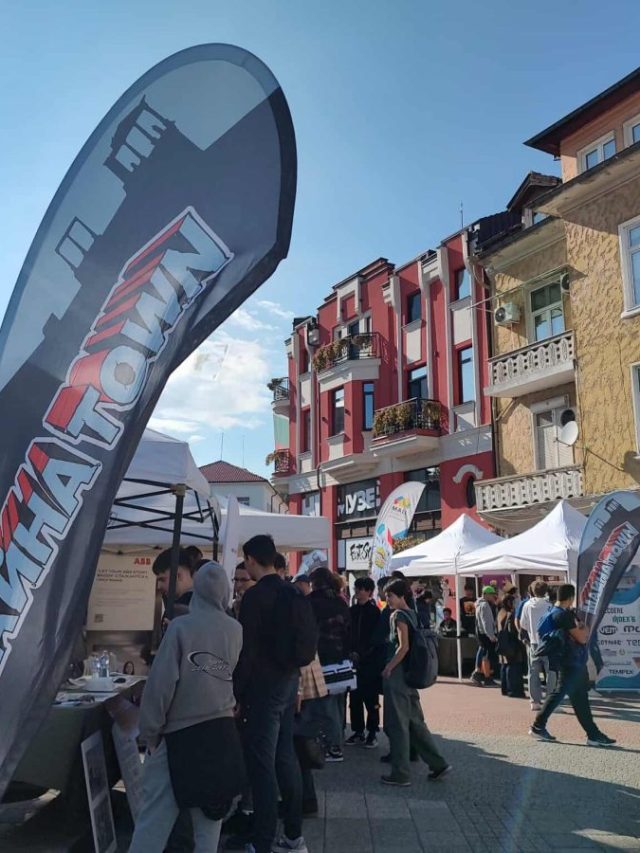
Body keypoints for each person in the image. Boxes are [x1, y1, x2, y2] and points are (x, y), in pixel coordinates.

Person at [129, 564, 243, 853]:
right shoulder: (235, 629)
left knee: (153, 823)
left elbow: (160, 686)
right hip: (221, 733)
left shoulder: (181, 628)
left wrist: (150, 732)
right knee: (209, 824)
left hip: (179, 736)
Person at [234, 535, 308, 853]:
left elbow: (247, 651)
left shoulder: (255, 597)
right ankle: (293, 834)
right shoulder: (292, 591)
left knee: (262, 765)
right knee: (285, 758)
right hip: (288, 681)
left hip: (263, 688)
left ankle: (262, 840)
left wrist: (237, 693)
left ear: (251, 559)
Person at [381, 579, 451, 787]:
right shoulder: (413, 614)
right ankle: (438, 763)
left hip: (398, 674)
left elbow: (403, 647)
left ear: (401, 596)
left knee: (397, 723)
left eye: (390, 596)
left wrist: (389, 667)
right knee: (416, 722)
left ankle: (400, 773)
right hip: (412, 674)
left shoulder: (398, 616)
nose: (387, 600)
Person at [530, 584, 616, 747]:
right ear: (570, 598)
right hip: (571, 661)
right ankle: (538, 726)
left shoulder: (552, 612)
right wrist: (583, 627)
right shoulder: (564, 615)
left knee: (579, 696)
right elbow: (583, 638)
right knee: (560, 693)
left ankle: (593, 734)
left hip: (567, 660)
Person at [308, 567, 351, 762]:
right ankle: (338, 739)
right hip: (341, 658)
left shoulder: (312, 602)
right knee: (338, 702)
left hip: (320, 658)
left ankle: (333, 746)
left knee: (325, 703)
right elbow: (348, 631)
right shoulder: (340, 602)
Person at [346, 577, 381, 748]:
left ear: (369, 592)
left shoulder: (374, 612)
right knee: (355, 698)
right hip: (353, 661)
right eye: (357, 589)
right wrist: (351, 652)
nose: (358, 592)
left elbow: (376, 639)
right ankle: (358, 730)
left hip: (369, 662)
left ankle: (372, 731)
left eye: (361, 589)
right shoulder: (351, 611)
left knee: (371, 698)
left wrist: (364, 654)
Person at [519, 581, 554, 711]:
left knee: (533, 672)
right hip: (548, 641)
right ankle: (550, 701)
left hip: (533, 642)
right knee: (551, 672)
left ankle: (535, 701)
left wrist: (530, 631)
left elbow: (523, 624)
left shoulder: (527, 605)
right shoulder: (550, 605)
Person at [496, 594, 526, 698]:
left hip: (503, 642)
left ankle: (505, 689)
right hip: (512, 643)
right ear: (509, 603)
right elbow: (512, 630)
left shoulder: (500, 612)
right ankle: (514, 690)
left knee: (505, 666)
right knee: (514, 667)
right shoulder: (510, 614)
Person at [153, 548, 195, 619]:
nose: (159, 586)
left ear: (178, 576)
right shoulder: (206, 602)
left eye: (162, 579)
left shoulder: (180, 609)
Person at [470, 586, 498, 686]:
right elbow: (486, 621)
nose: (493, 596)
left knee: (482, 652)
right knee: (486, 655)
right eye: (491, 594)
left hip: (480, 632)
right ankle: (485, 676)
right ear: (486, 595)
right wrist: (491, 635)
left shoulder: (479, 604)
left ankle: (479, 673)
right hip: (485, 634)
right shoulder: (485, 605)